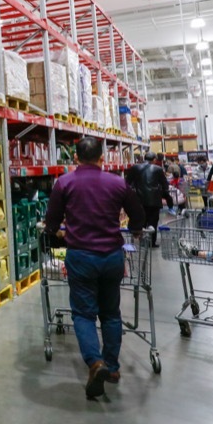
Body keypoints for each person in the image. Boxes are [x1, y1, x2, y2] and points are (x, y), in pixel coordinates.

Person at [43, 137, 145, 400]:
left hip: (81, 256)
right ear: (103, 159)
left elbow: (52, 220)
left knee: (84, 314)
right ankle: (111, 367)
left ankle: (94, 362)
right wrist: (134, 229)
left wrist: (53, 232)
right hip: (112, 256)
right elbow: (138, 214)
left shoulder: (64, 183)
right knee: (110, 312)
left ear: (75, 158)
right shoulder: (117, 182)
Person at [128, 152, 171, 247]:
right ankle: (152, 242)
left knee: (142, 221)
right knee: (153, 222)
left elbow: (127, 183)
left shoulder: (135, 168)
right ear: (154, 160)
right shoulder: (158, 169)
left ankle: (142, 240)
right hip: (154, 200)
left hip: (139, 200)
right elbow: (165, 185)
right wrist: (167, 197)